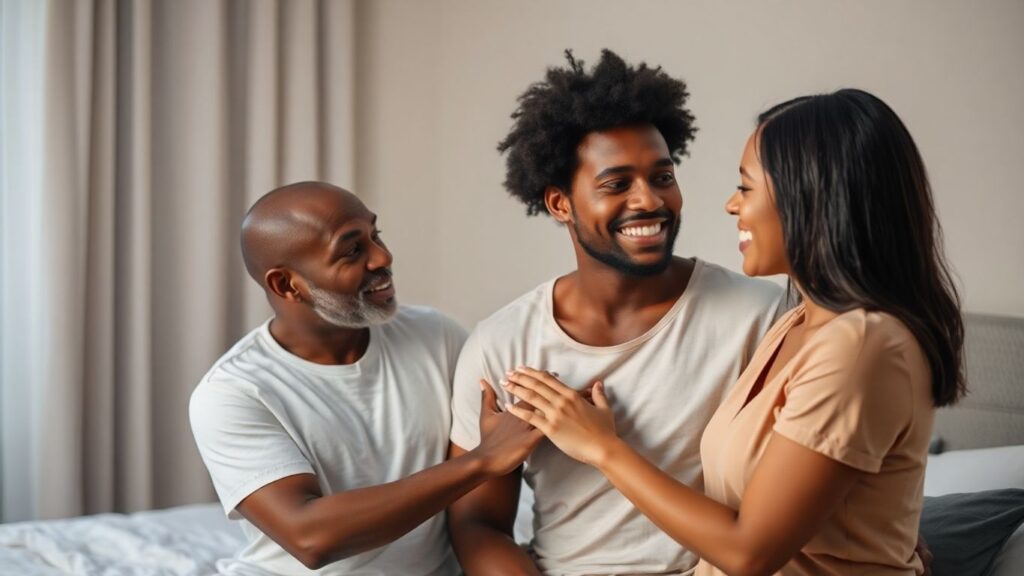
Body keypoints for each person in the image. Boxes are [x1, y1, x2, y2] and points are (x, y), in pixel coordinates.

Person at [502, 89, 963, 575]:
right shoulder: (797, 322)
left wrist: (603, 448)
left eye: (746, 188)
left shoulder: (862, 344)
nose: (730, 205)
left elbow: (749, 552)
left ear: (809, 196)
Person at [447, 50, 786, 575]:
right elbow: (478, 525)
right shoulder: (503, 345)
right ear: (561, 204)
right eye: (616, 184)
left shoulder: (762, 316)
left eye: (663, 176)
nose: (650, 200)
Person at [189, 181, 541, 576]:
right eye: (353, 250)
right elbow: (310, 538)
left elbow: (483, 510)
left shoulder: (435, 336)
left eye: (376, 235)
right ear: (287, 285)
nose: (383, 257)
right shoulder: (233, 393)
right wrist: (482, 462)